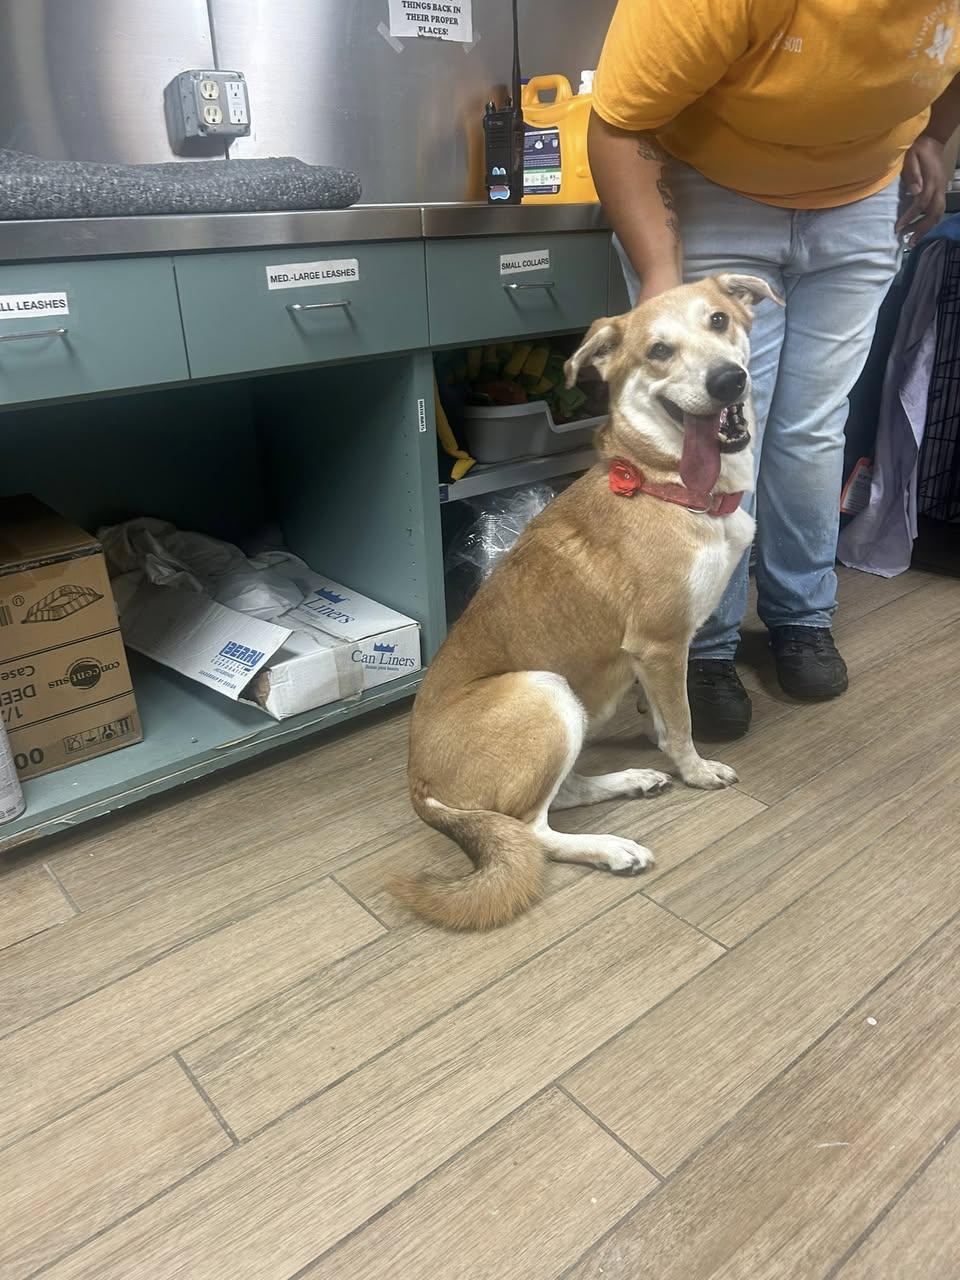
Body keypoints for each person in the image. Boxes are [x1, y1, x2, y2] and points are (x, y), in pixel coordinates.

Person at [589, 0, 960, 739]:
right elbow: (619, 123)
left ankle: (801, 614)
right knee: (722, 428)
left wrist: (938, 137)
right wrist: (663, 280)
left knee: (813, 429)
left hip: (862, 204)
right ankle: (706, 642)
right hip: (715, 191)